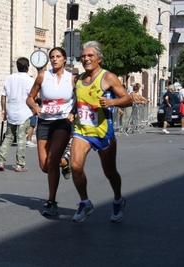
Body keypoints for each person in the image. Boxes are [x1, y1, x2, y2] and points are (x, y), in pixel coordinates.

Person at [67, 41, 132, 223]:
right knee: (76, 166)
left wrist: (112, 102)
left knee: (110, 171)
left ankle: (118, 199)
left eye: (90, 56)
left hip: (103, 131)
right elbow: (78, 102)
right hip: (82, 130)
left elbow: (127, 99)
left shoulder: (108, 77)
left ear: (99, 59)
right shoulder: (78, 79)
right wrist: (72, 113)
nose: (86, 59)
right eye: (84, 56)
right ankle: (85, 202)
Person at [26, 47, 75, 215]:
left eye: (58, 56)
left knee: (52, 161)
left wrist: (73, 113)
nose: (54, 59)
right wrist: (34, 106)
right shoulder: (43, 76)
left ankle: (51, 201)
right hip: (45, 121)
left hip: (62, 122)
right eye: (52, 57)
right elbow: (30, 97)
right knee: (45, 166)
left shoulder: (72, 78)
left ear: (65, 59)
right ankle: (66, 162)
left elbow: (81, 98)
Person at [0, 57, 34, 172]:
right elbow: (34, 96)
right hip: (24, 112)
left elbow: (3, 96)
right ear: (28, 67)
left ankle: (1, 161)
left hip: (11, 111)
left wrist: (4, 110)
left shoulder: (9, 78)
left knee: (8, 137)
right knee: (22, 138)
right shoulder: (30, 80)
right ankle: (20, 164)